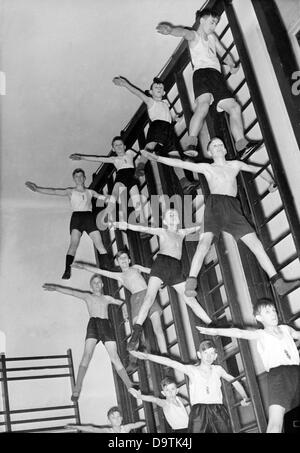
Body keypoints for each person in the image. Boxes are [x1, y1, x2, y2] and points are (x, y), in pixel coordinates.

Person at [141, 139, 300, 298]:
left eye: (221, 145)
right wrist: (158, 158)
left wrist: (271, 181)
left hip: (233, 209)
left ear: (225, 150)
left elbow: (257, 168)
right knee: (204, 243)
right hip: (215, 206)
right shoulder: (208, 167)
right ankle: (191, 281)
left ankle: (278, 283)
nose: (218, 147)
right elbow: (183, 164)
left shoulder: (235, 165)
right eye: (214, 146)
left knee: (256, 244)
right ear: (209, 152)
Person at [156, 8, 262, 159]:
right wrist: (171, 30)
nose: (214, 26)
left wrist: (232, 64)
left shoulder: (212, 37)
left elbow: (223, 52)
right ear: (202, 20)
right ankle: (191, 142)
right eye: (212, 22)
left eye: (216, 23)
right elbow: (183, 32)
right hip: (201, 75)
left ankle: (242, 145)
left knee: (234, 107)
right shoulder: (195, 35)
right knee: (203, 106)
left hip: (215, 76)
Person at [113, 208, 212, 352]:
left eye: (175, 214)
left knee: (190, 299)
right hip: (161, 265)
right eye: (169, 215)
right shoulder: (162, 231)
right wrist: (124, 225)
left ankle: (210, 323)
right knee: (149, 298)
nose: (172, 216)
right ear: (165, 221)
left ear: (178, 220)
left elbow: (201, 225)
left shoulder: (182, 233)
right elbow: (142, 227)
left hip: (175, 269)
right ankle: (136, 333)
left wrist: (214, 220)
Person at [197, 298, 300, 433]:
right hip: (278, 375)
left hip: (296, 372)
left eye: (274, 310)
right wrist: (216, 331)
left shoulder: (286, 329)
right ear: (259, 317)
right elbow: (239, 332)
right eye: (267, 312)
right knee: (276, 423)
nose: (273, 314)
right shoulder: (261, 334)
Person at [42, 274, 133, 402]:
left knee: (115, 356)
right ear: (91, 286)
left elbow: (122, 302)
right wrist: (56, 288)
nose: (96, 284)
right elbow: (72, 292)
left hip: (106, 325)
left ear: (102, 285)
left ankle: (129, 385)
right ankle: (77, 388)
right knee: (87, 355)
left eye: (99, 282)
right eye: (94, 283)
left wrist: (124, 310)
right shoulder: (88, 296)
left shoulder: (107, 298)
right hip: (94, 325)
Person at [131, 339, 250, 433]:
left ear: (215, 356)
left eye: (212, 353)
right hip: (199, 412)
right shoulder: (192, 370)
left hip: (218, 410)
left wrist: (245, 396)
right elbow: (170, 362)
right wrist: (147, 356)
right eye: (205, 353)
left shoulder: (218, 369)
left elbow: (234, 380)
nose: (209, 357)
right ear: (199, 354)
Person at [72, 250, 168, 356]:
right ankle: (133, 359)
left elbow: (151, 271)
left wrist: (162, 280)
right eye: (120, 258)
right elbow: (101, 271)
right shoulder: (119, 276)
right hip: (136, 299)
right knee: (135, 333)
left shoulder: (135, 267)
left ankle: (165, 355)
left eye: (125, 257)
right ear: (117, 262)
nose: (123, 260)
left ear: (129, 260)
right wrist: (83, 266)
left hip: (148, 294)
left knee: (158, 328)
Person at [25, 168, 110, 280]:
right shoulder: (70, 191)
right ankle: (67, 270)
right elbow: (54, 191)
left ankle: (107, 268)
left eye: (81, 176)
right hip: (77, 218)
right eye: (76, 176)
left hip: (89, 218)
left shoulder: (91, 192)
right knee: (73, 244)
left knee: (99, 244)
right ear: (74, 179)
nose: (79, 178)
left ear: (84, 178)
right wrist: (37, 189)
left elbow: (104, 198)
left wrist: (110, 198)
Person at [113, 76, 181, 175]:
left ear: (164, 93)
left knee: (175, 155)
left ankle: (184, 182)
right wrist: (125, 84)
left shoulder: (165, 103)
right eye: (156, 88)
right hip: (157, 125)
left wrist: (175, 118)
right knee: (150, 146)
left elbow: (168, 115)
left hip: (169, 128)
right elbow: (138, 93)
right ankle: (140, 167)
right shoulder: (151, 102)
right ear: (150, 92)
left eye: (161, 88)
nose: (158, 89)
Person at [69, 136, 146, 224]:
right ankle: (106, 215)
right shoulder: (114, 159)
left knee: (137, 202)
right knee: (114, 196)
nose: (119, 147)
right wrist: (81, 157)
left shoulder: (129, 153)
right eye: (116, 146)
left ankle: (142, 224)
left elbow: (142, 155)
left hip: (132, 179)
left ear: (124, 146)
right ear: (113, 149)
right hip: (121, 178)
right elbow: (98, 158)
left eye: (120, 144)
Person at [65, 406, 145, 433]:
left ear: (121, 419)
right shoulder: (109, 431)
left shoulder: (126, 428)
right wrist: (76, 427)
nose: (116, 420)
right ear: (109, 421)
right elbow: (92, 429)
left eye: (118, 417)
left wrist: (146, 422)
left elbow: (136, 424)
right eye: (113, 418)